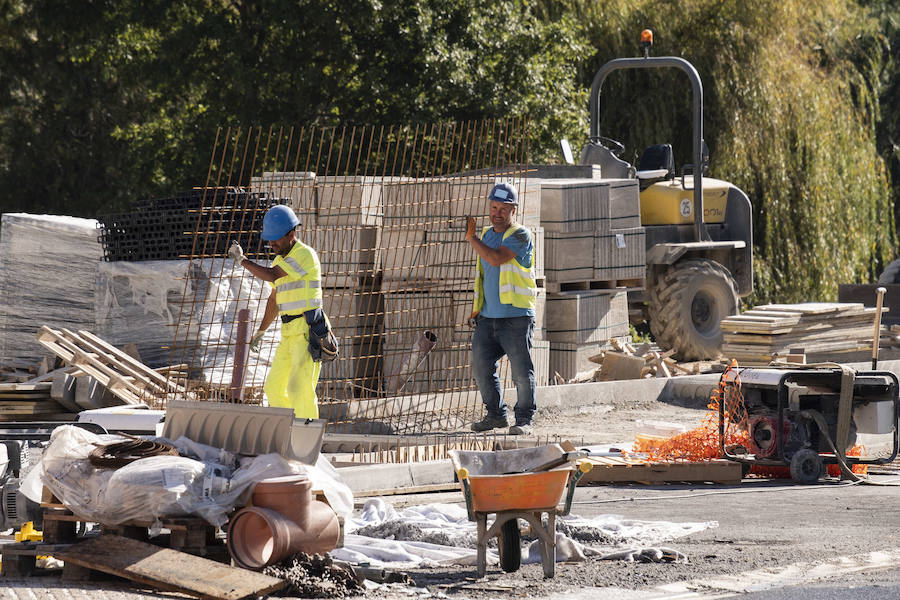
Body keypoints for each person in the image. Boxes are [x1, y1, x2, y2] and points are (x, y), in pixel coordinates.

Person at [228, 204, 334, 419]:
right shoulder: (280, 260)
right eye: (270, 239)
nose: (272, 244)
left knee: (299, 389)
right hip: (288, 334)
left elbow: (273, 275)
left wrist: (242, 261)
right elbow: (275, 299)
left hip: (307, 330)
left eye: (276, 239)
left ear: (291, 234)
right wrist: (261, 331)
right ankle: (288, 430)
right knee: (274, 389)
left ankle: (307, 437)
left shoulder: (304, 255)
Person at [465, 182, 537, 435]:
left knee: (520, 372)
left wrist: (471, 238)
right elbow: (484, 276)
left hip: (516, 318)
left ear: (513, 210)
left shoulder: (520, 235)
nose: (497, 213)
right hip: (487, 318)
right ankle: (496, 416)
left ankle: (524, 420)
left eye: (503, 209)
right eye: (494, 207)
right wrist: (477, 310)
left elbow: (495, 258)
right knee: (482, 369)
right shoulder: (487, 235)